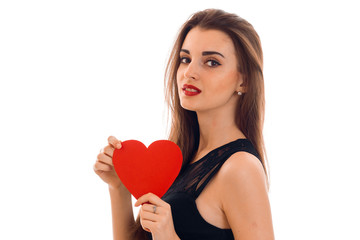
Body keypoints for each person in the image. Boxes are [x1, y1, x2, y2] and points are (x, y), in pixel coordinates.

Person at [94, 8, 274, 240]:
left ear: (244, 81)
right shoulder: (182, 158)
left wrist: (169, 236)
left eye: (211, 62)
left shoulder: (240, 169)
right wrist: (117, 188)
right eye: (185, 59)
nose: (189, 72)